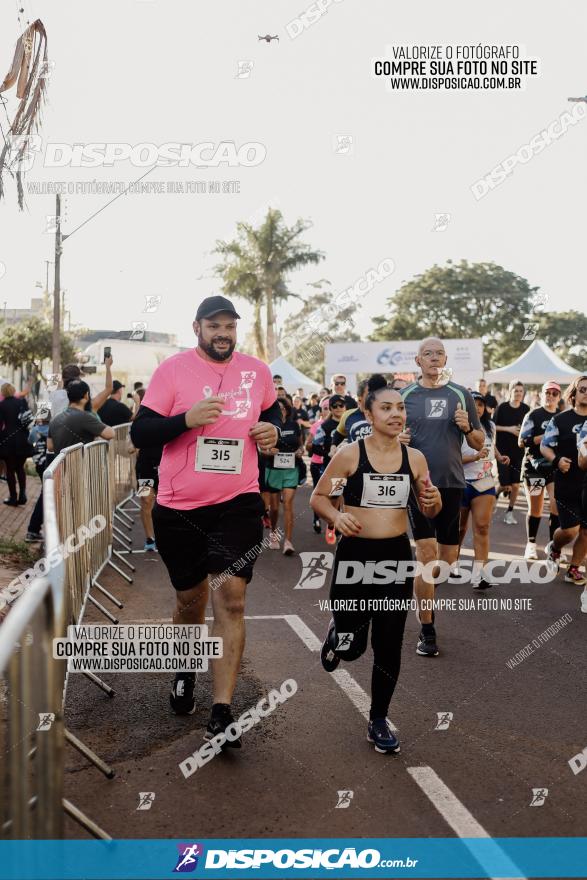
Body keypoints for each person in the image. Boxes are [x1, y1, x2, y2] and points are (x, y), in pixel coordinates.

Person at [130, 295, 282, 746]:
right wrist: (185, 420)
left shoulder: (256, 371)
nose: (223, 334)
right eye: (214, 326)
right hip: (179, 508)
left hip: (238, 502)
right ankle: (184, 666)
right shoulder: (172, 370)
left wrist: (273, 428)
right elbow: (141, 433)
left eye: (230, 326)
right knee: (190, 602)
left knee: (232, 599)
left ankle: (222, 711)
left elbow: (271, 411)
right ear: (197, 327)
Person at [311, 381, 441, 754]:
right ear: (368, 415)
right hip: (355, 558)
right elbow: (320, 497)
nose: (396, 414)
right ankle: (340, 633)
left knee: (389, 643)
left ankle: (378, 718)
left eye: (400, 407)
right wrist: (337, 516)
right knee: (352, 650)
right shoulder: (351, 456)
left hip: (396, 558)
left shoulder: (414, 459)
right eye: (386, 408)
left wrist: (431, 501)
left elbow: (429, 508)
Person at [400, 337, 484, 657]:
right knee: (426, 553)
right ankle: (427, 629)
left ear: (446, 359)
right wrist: (399, 440)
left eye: (439, 354)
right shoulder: (405, 395)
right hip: (418, 483)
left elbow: (478, 443)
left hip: (452, 483)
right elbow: (386, 440)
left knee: (446, 562)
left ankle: (423, 591)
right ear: (418, 360)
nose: (434, 358)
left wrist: (466, 427)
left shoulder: (460, 395)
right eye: (428, 354)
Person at [458, 392, 509, 589]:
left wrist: (500, 456)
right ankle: (452, 560)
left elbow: (491, 447)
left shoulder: (491, 426)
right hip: (460, 483)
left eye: (481, 404)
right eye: (473, 404)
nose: (478, 408)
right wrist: (475, 457)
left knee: (482, 527)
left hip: (485, 483)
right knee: (459, 529)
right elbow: (452, 459)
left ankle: (480, 574)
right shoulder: (456, 428)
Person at [541, 375, 587, 586]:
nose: (586, 392)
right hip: (567, 482)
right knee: (570, 529)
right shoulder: (560, 420)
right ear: (574, 393)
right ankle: (554, 547)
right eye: (583, 389)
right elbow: (545, 445)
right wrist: (556, 460)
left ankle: (574, 568)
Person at [519, 381, 562, 559]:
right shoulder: (533, 415)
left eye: (554, 393)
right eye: (547, 392)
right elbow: (522, 441)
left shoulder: (562, 417)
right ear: (541, 394)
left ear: (559, 397)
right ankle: (531, 544)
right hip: (534, 468)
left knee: (555, 505)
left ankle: (553, 546)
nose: (550, 396)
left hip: (553, 468)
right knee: (536, 509)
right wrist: (544, 437)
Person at [264, 398, 303, 555]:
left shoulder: (294, 425)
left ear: (287, 409)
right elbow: (262, 449)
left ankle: (288, 541)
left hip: (291, 469)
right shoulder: (270, 426)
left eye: (283, 408)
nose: (281, 410)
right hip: (273, 469)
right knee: (274, 508)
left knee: (287, 504)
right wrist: (268, 451)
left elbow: (300, 445)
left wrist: (300, 451)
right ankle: (273, 532)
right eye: (278, 408)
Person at [130, 388, 162, 551]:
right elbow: (131, 445)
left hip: (167, 467)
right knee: (146, 500)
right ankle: (150, 539)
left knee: (166, 505)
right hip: (145, 467)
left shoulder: (169, 414)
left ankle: (165, 537)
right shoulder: (141, 419)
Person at [494, 380, 530, 524]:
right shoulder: (502, 407)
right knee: (505, 484)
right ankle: (494, 495)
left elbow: (530, 429)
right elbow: (492, 426)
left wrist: (523, 433)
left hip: (518, 452)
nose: (518, 394)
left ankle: (509, 511)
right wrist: (509, 429)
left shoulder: (526, 409)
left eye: (521, 391)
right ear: (510, 391)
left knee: (515, 485)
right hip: (502, 452)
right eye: (516, 391)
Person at [48, 381, 114, 454]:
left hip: (61, 464)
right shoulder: (85, 417)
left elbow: (50, 446)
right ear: (86, 395)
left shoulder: (55, 419)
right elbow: (110, 434)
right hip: (81, 464)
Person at [0, 383, 34, 506]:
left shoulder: (2, 405)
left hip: (8, 440)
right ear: (13, 391)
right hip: (23, 439)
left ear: (3, 392)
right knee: (20, 467)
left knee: (10, 469)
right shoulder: (22, 402)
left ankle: (13, 497)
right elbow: (28, 419)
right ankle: (23, 494)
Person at [332, 375, 386, 448]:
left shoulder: (386, 415)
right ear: (360, 398)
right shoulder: (348, 415)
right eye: (370, 393)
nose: (375, 396)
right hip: (355, 458)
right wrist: (333, 447)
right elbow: (338, 436)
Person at [24, 408, 54, 542]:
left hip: (39, 462)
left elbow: (30, 441)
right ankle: (35, 529)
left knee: (45, 491)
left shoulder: (36, 430)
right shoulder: (52, 429)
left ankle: (34, 529)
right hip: (48, 461)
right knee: (46, 493)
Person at [306, 396, 330, 533]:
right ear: (321, 410)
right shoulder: (316, 425)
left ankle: (331, 522)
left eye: (329, 408)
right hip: (317, 464)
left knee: (334, 494)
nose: (327, 411)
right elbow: (307, 445)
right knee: (318, 492)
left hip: (334, 465)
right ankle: (316, 518)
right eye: (325, 408)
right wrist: (316, 447)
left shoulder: (340, 426)